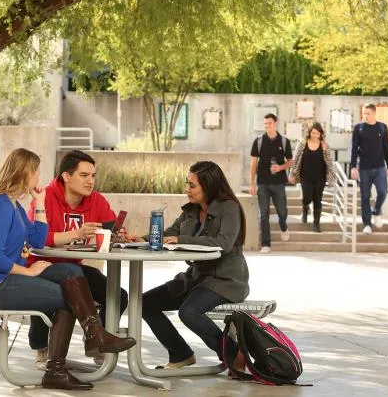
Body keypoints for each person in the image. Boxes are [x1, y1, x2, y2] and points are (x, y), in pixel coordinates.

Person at [0, 148, 135, 391]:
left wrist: (39, 204)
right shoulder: (0, 206)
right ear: (24, 173)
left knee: (69, 271)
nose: (39, 177)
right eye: (36, 172)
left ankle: (94, 334)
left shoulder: (13, 205)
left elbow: (38, 239)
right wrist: (27, 271)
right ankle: (58, 368)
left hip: (5, 278)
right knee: (67, 298)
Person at [141, 161, 249, 370]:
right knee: (145, 303)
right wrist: (138, 239)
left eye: (192, 186)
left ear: (208, 186)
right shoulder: (191, 211)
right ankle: (180, 353)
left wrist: (182, 240)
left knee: (189, 312)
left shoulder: (230, 208)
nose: (186, 190)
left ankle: (232, 355)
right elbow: (170, 234)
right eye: (187, 184)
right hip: (195, 278)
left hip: (225, 280)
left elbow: (224, 243)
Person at [26, 150, 129, 367]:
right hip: (43, 266)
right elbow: (37, 238)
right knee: (53, 296)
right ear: (66, 176)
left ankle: (96, 340)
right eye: (84, 175)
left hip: (74, 270)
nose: (90, 181)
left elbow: (110, 226)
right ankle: (40, 347)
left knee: (117, 295)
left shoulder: (97, 200)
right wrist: (77, 234)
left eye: (93, 176)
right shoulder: (45, 196)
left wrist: (118, 233)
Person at [249, 113, 293, 253]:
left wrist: (280, 167)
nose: (267, 126)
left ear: (276, 123)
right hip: (262, 183)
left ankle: (283, 226)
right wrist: (252, 183)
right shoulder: (259, 141)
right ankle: (266, 244)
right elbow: (253, 163)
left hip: (279, 183)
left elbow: (291, 161)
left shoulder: (284, 141)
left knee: (282, 211)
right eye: (265, 124)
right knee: (264, 213)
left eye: (269, 123)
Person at [350, 104, 388, 234]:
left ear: (374, 113)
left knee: (383, 191)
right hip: (364, 168)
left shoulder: (382, 127)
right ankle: (367, 224)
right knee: (365, 196)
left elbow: (386, 148)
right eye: (364, 113)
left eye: (368, 113)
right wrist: (353, 167)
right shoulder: (358, 128)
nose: (365, 115)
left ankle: (376, 210)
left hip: (379, 167)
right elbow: (354, 148)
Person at [289, 122, 336, 233]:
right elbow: (295, 159)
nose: (315, 135)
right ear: (309, 133)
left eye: (317, 133)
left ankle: (316, 224)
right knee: (308, 197)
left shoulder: (324, 145)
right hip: (305, 176)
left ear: (321, 134)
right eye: (313, 133)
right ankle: (305, 209)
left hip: (320, 177)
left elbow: (329, 162)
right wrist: (292, 174)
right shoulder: (303, 143)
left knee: (317, 200)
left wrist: (325, 150)